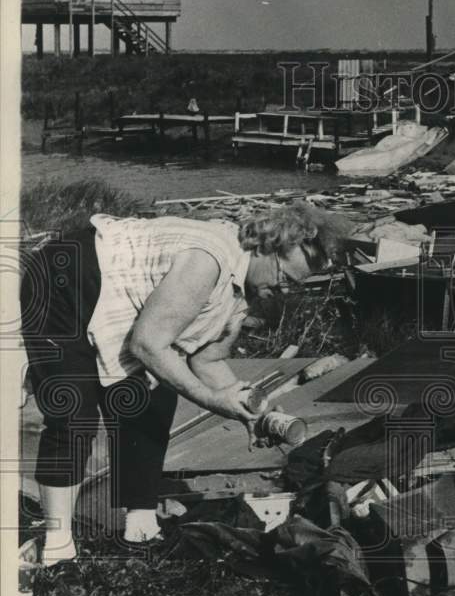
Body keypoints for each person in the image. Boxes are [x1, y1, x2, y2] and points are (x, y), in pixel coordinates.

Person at [20, 202, 351, 565]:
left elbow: (207, 359)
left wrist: (254, 412)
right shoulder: (207, 261)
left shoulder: (243, 291)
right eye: (284, 278)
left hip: (120, 304)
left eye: (294, 287)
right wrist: (211, 400)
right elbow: (147, 345)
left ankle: (140, 529)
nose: (284, 292)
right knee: (74, 413)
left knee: (153, 401)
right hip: (66, 279)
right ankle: (57, 545)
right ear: (265, 248)